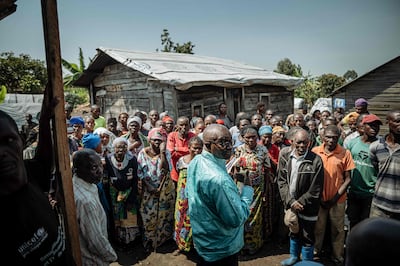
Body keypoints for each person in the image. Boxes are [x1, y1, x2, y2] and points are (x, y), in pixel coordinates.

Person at [0, 109, 73, 265]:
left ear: (21, 140)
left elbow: (44, 162)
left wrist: (45, 122)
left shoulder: (28, 173)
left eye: (9, 140)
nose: (1, 153)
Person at [186, 124, 254, 265]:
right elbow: (236, 218)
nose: (229, 146)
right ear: (207, 145)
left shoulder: (196, 161)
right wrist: (247, 189)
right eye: (223, 142)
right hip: (222, 248)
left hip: (204, 241)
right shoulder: (219, 180)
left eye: (230, 141)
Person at [277, 129, 324, 265]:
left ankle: (307, 261)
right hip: (291, 203)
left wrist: (301, 202)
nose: (302, 146)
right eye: (298, 143)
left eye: (305, 143)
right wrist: (291, 202)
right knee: (293, 229)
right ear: (292, 142)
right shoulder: (285, 156)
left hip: (308, 205)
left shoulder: (316, 160)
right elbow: (281, 181)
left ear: (309, 143)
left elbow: (316, 188)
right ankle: (294, 257)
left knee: (307, 234)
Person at [311, 125, 355, 265]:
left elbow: (348, 178)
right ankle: (315, 253)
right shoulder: (315, 152)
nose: (331, 140)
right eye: (328, 137)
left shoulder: (345, 153)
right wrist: (319, 198)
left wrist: (334, 198)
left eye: (334, 137)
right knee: (318, 228)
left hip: (338, 200)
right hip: (320, 200)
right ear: (323, 137)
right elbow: (311, 177)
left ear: (339, 137)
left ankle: (337, 256)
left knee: (337, 229)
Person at [72, 149, 118, 265]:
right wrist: (112, 256)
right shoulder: (86, 202)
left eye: (100, 166)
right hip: (93, 260)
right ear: (78, 170)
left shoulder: (81, 183)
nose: (100, 171)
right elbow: (95, 242)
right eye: (93, 168)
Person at [233, 125, 271, 255]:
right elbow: (235, 170)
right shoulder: (238, 150)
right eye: (247, 137)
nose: (250, 140)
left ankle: (253, 245)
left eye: (253, 137)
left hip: (257, 190)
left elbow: (266, 171)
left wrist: (265, 191)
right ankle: (241, 245)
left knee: (255, 217)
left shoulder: (263, 150)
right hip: (241, 188)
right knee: (242, 215)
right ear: (242, 138)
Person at [137, 128, 175, 251]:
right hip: (148, 188)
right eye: (155, 140)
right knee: (147, 214)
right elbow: (140, 173)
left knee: (165, 214)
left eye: (160, 140)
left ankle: (161, 240)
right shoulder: (143, 153)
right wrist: (150, 187)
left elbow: (165, 169)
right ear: (149, 140)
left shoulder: (166, 153)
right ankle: (149, 240)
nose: (157, 143)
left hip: (164, 188)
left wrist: (163, 153)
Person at [104, 137, 141, 248]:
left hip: (129, 191)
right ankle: (119, 241)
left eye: (124, 146)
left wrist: (131, 198)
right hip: (114, 193)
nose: (121, 149)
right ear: (113, 148)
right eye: (118, 147)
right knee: (117, 218)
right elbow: (106, 177)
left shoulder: (132, 160)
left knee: (130, 217)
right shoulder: (108, 159)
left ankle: (131, 242)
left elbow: (135, 180)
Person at [346, 114, 381, 230]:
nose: (374, 129)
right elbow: (345, 166)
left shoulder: (381, 146)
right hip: (353, 192)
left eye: (376, 126)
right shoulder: (352, 143)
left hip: (371, 194)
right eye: (371, 126)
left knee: (367, 225)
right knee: (353, 222)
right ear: (363, 126)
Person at [173, 136, 203, 255]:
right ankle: (181, 245)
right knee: (180, 218)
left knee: (195, 220)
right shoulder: (181, 161)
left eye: (200, 148)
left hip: (197, 196)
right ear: (188, 147)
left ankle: (196, 247)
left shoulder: (204, 163)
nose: (197, 151)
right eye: (194, 148)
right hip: (182, 198)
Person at [369, 110, 400, 221]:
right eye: (397, 121)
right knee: (375, 237)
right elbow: (376, 169)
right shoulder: (376, 147)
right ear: (388, 122)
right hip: (379, 206)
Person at [167, 116, 196, 185]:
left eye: (186, 125)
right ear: (177, 126)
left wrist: (177, 149)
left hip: (190, 172)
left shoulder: (193, 136)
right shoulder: (172, 135)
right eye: (181, 125)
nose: (184, 127)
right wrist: (188, 152)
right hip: (175, 173)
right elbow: (170, 152)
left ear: (189, 126)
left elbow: (195, 151)